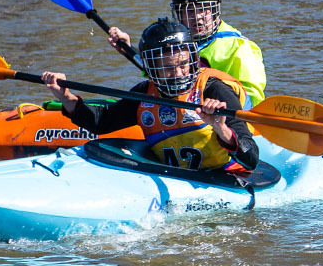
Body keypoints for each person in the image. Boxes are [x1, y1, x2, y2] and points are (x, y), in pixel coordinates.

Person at [42, 20, 258, 174]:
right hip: (173, 174)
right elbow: (101, 122)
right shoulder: (146, 94)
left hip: (224, 175)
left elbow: (251, 158)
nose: (179, 73)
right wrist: (65, 96)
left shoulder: (215, 91)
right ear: (152, 69)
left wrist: (221, 128)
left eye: (183, 64)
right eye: (168, 68)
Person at [106, 0, 269, 104]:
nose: (198, 18)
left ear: (214, 11)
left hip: (220, 121)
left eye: (203, 10)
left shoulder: (240, 48)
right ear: (179, 14)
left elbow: (252, 101)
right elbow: (161, 75)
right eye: (189, 11)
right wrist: (129, 50)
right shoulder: (178, 41)